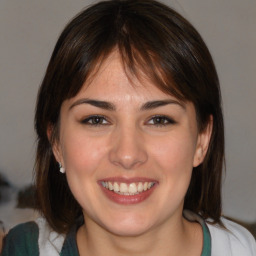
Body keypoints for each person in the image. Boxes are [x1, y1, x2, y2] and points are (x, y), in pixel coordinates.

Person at [1, 0, 255, 255]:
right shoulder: (20, 248)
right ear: (56, 142)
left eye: (159, 120)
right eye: (96, 120)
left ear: (202, 139)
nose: (127, 154)